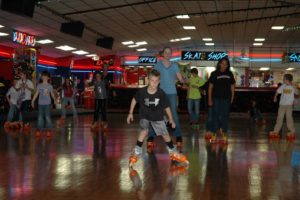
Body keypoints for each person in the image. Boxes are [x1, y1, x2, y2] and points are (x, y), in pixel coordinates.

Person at [127, 69, 188, 167]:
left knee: (165, 135)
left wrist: (171, 119)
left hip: (157, 117)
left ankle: (173, 151)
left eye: (156, 81)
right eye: (152, 80)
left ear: (159, 82)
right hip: (145, 116)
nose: (154, 83)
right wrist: (130, 113)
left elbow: (167, 106)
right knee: (144, 131)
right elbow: (134, 100)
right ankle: (136, 151)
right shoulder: (142, 91)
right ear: (148, 80)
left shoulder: (161, 93)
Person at [147, 47, 185, 150]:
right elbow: (152, 77)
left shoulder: (174, 65)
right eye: (166, 52)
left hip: (172, 93)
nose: (168, 54)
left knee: (173, 115)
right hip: (160, 94)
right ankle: (151, 136)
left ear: (171, 54)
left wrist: (184, 80)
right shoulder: (158, 65)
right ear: (163, 54)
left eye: (169, 52)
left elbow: (180, 78)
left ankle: (178, 136)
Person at [208, 57, 235, 143]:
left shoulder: (230, 74)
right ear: (219, 64)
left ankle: (224, 133)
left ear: (228, 65)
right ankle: (214, 133)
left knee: (225, 116)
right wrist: (209, 99)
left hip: (226, 98)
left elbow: (232, 87)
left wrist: (232, 97)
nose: (224, 65)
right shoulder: (214, 73)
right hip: (216, 98)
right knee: (215, 115)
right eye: (223, 63)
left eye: (226, 64)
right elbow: (210, 87)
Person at [269, 74, 299, 139]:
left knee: (289, 118)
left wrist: (293, 86)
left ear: (287, 80)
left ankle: (292, 131)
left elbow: (297, 93)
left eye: (284, 79)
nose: (283, 80)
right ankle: (276, 131)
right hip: (282, 105)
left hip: (289, 105)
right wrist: (275, 97)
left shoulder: (293, 86)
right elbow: (277, 91)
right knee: (280, 118)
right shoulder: (283, 86)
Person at [31, 71, 57, 137]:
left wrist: (55, 100)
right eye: (43, 76)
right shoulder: (39, 85)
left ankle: (49, 129)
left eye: (46, 76)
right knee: (40, 117)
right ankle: (39, 129)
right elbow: (36, 93)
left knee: (47, 117)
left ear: (48, 78)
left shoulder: (50, 86)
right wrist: (33, 101)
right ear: (41, 77)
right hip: (40, 103)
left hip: (48, 103)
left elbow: (52, 94)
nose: (44, 77)